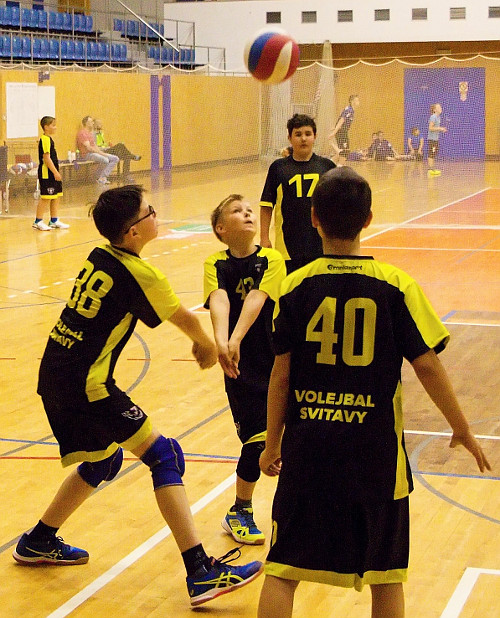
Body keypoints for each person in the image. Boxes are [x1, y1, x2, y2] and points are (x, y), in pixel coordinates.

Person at [13, 185, 263, 607]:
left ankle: (38, 540)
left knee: (105, 460)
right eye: (150, 211)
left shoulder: (101, 254)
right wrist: (207, 346)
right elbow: (183, 318)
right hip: (86, 386)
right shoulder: (140, 274)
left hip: (57, 376)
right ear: (133, 232)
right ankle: (201, 572)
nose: (156, 214)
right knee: (164, 456)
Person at [257, 167, 491, 618]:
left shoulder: (293, 285)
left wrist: (271, 443)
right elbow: (427, 364)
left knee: (283, 568)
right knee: (386, 576)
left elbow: (280, 375)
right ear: (368, 220)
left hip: (308, 451)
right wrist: (461, 427)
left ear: (313, 218)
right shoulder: (396, 284)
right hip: (376, 457)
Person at [204, 194, 286, 546]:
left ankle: (297, 513)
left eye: (249, 209)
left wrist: (234, 337)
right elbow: (219, 299)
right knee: (256, 441)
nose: (248, 213)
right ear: (221, 228)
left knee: (289, 440)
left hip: (278, 360)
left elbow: (257, 297)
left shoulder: (271, 258)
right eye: (237, 211)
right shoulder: (216, 262)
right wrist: (222, 343)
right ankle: (240, 510)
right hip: (240, 367)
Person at [260, 113, 335, 274]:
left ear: (315, 136)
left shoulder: (327, 166)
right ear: (289, 138)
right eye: (298, 134)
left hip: (321, 244)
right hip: (287, 246)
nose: (303, 139)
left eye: (308, 134)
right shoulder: (278, 168)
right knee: (290, 287)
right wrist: (264, 238)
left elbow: (337, 206)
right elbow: (266, 205)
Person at [33, 116, 69, 231]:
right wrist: (55, 172)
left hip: (53, 173)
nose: (55, 127)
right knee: (46, 197)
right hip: (47, 173)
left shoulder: (49, 139)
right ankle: (38, 221)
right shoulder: (44, 139)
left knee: (56, 196)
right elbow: (46, 158)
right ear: (46, 127)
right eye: (53, 125)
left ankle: (54, 220)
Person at [76, 116, 119, 185]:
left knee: (115, 158)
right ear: (86, 123)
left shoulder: (90, 133)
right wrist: (100, 153)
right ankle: (100, 178)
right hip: (87, 154)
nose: (93, 123)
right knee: (105, 160)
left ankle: (102, 177)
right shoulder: (82, 133)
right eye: (91, 122)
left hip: (94, 153)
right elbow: (89, 148)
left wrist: (101, 152)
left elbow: (94, 145)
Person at [329, 94, 360, 163]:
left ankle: (328, 164)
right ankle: (339, 167)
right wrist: (334, 132)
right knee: (345, 152)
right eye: (357, 100)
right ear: (352, 101)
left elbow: (341, 119)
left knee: (342, 152)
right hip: (342, 133)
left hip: (342, 132)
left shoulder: (349, 109)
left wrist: (335, 128)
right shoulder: (349, 110)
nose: (358, 102)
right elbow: (342, 120)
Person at [427, 103, 447, 176]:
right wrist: (440, 128)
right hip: (432, 139)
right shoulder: (433, 117)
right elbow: (430, 128)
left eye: (440, 107)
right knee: (431, 154)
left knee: (434, 153)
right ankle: (430, 170)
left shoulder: (438, 117)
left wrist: (441, 129)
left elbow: (435, 128)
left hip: (435, 139)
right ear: (435, 110)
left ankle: (432, 169)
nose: (441, 108)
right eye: (439, 107)